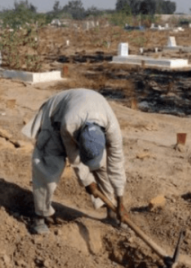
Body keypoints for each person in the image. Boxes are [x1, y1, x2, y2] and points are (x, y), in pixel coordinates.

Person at [22, 89, 127, 234]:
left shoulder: (113, 129)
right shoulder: (69, 123)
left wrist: (120, 200)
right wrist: (87, 182)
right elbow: (74, 158)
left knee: (103, 167)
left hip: (84, 108)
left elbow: (117, 164)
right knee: (49, 166)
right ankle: (40, 216)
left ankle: (112, 213)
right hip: (56, 117)